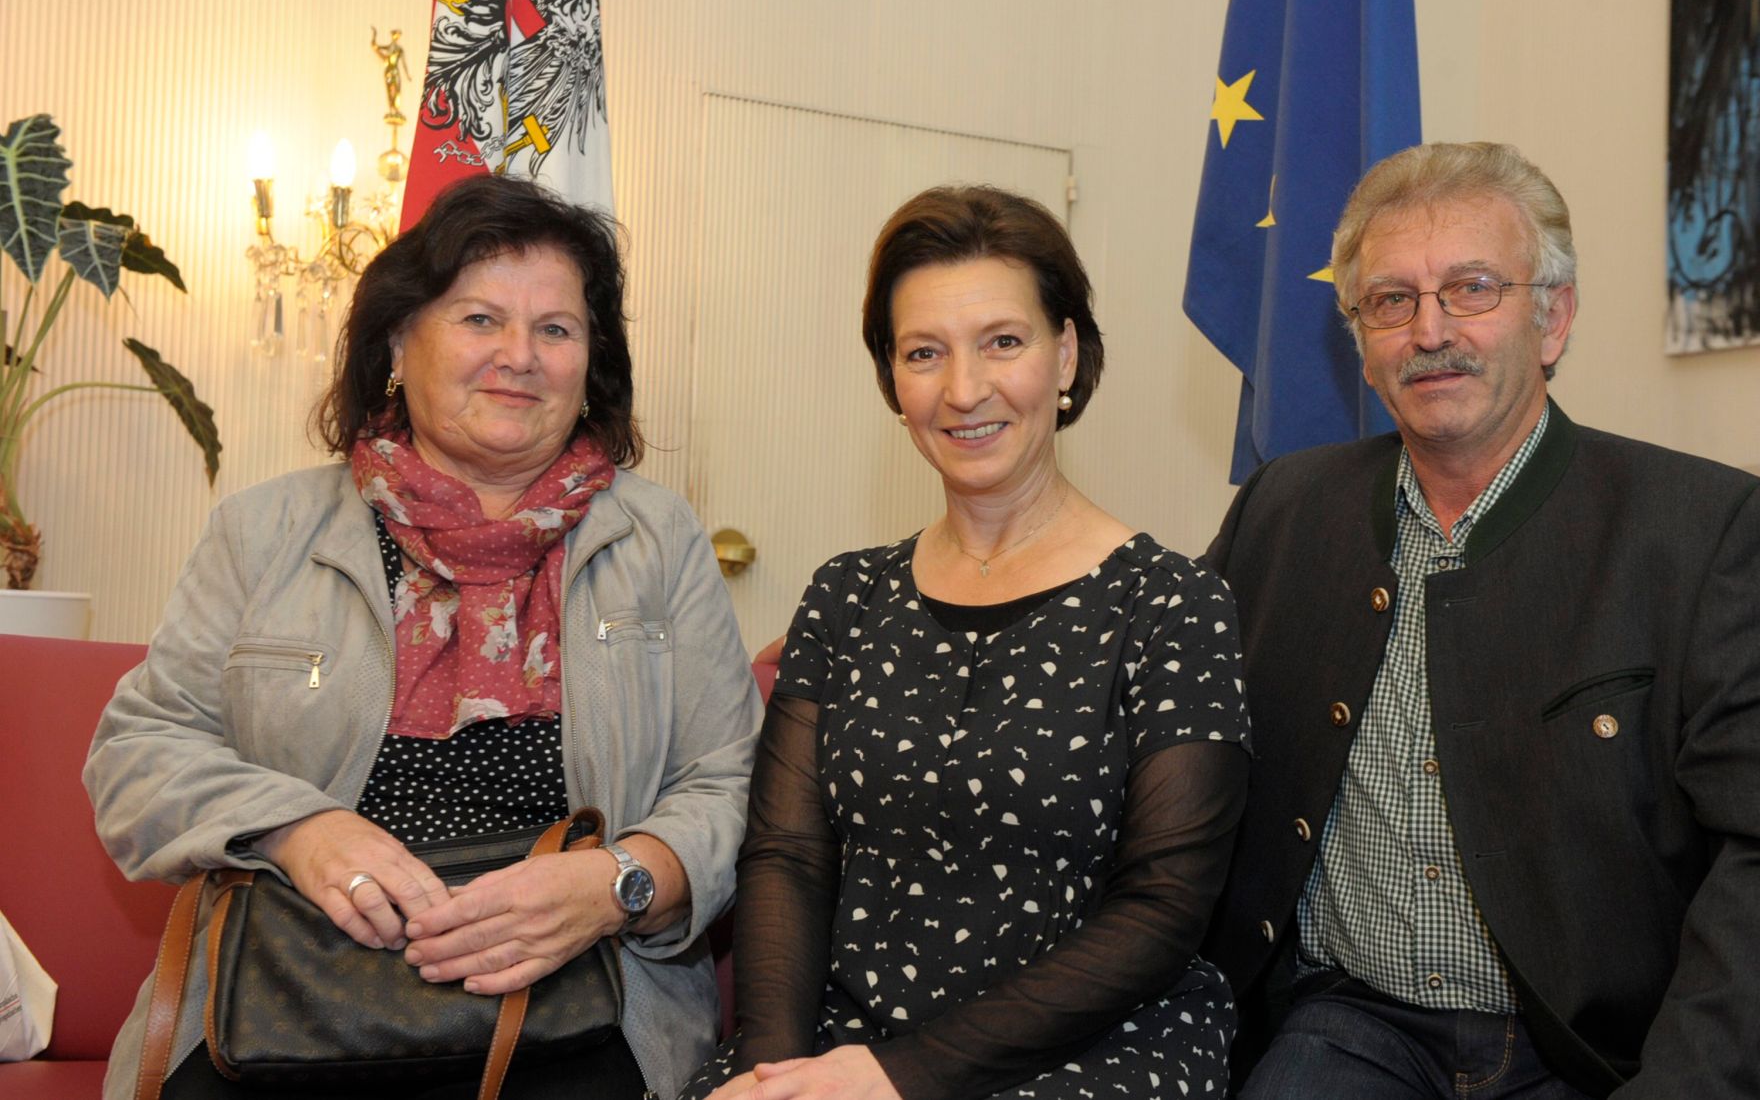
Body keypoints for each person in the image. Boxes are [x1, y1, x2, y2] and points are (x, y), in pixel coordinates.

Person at [83, 175, 762, 1100]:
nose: (519, 356)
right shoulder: (263, 530)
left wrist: (617, 883)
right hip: (280, 1010)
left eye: (556, 330)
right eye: (481, 319)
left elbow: (727, 786)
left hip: (576, 1016)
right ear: (400, 340)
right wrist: (296, 828)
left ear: (590, 363)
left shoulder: (662, 539)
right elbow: (138, 753)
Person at [1202, 142, 1760, 1098]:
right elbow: (1176, 752)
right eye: (1391, 300)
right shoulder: (1283, 511)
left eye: (1471, 289)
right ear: (1359, 341)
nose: (1430, 330)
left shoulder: (1701, 531)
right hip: (1348, 1023)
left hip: (1591, 1050)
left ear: (1554, 318)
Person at [683, 186, 1252, 1100]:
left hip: (1094, 1052)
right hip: (844, 1042)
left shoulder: (1172, 603)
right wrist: (773, 1072)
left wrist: (903, 1079)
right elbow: (788, 856)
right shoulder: (847, 593)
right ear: (892, 381)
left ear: (1065, 354)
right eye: (923, 353)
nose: (963, 389)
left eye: (1003, 342)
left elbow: (1163, 910)